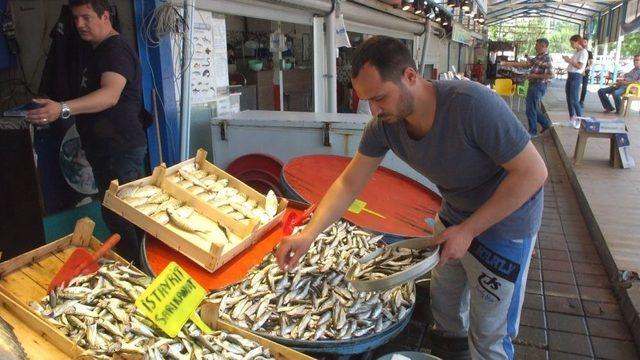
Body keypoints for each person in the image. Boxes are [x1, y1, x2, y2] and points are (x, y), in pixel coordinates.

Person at [275, 36, 547, 359]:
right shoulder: (384, 125)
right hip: (454, 216)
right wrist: (308, 234)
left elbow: (534, 172)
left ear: (410, 77)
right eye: (366, 101)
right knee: (444, 309)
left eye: (380, 98)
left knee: (490, 335)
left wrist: (470, 230)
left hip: (506, 225)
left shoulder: (472, 105)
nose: (374, 110)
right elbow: (348, 184)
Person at [26, 0, 147, 265]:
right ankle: (135, 269)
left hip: (120, 150)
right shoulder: (94, 51)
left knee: (126, 219)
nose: (79, 24)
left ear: (105, 16)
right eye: (75, 18)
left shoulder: (115, 50)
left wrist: (63, 109)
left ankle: (143, 273)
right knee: (117, 216)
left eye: (86, 17)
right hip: (106, 151)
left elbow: (110, 95)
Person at [500, 38, 554, 136]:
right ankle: (546, 124)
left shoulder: (547, 58)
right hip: (533, 84)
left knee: (530, 109)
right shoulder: (539, 57)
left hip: (539, 85)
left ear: (543, 46)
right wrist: (508, 63)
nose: (535, 47)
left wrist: (534, 76)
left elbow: (551, 75)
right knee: (532, 108)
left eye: (536, 45)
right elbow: (525, 64)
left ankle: (533, 131)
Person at [563, 34, 588, 122]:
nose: (571, 45)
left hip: (576, 76)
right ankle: (572, 117)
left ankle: (580, 119)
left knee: (574, 99)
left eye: (572, 43)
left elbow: (579, 66)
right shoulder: (577, 52)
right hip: (570, 75)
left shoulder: (583, 52)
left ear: (578, 42)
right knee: (569, 98)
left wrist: (569, 60)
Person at [579, 39, 594, 107]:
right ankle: (575, 100)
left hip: (585, 72)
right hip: (578, 72)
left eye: (585, 42)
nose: (583, 43)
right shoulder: (578, 52)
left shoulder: (589, 53)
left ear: (587, 43)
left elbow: (591, 64)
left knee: (584, 87)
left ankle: (582, 101)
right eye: (582, 42)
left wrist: (584, 70)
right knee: (576, 86)